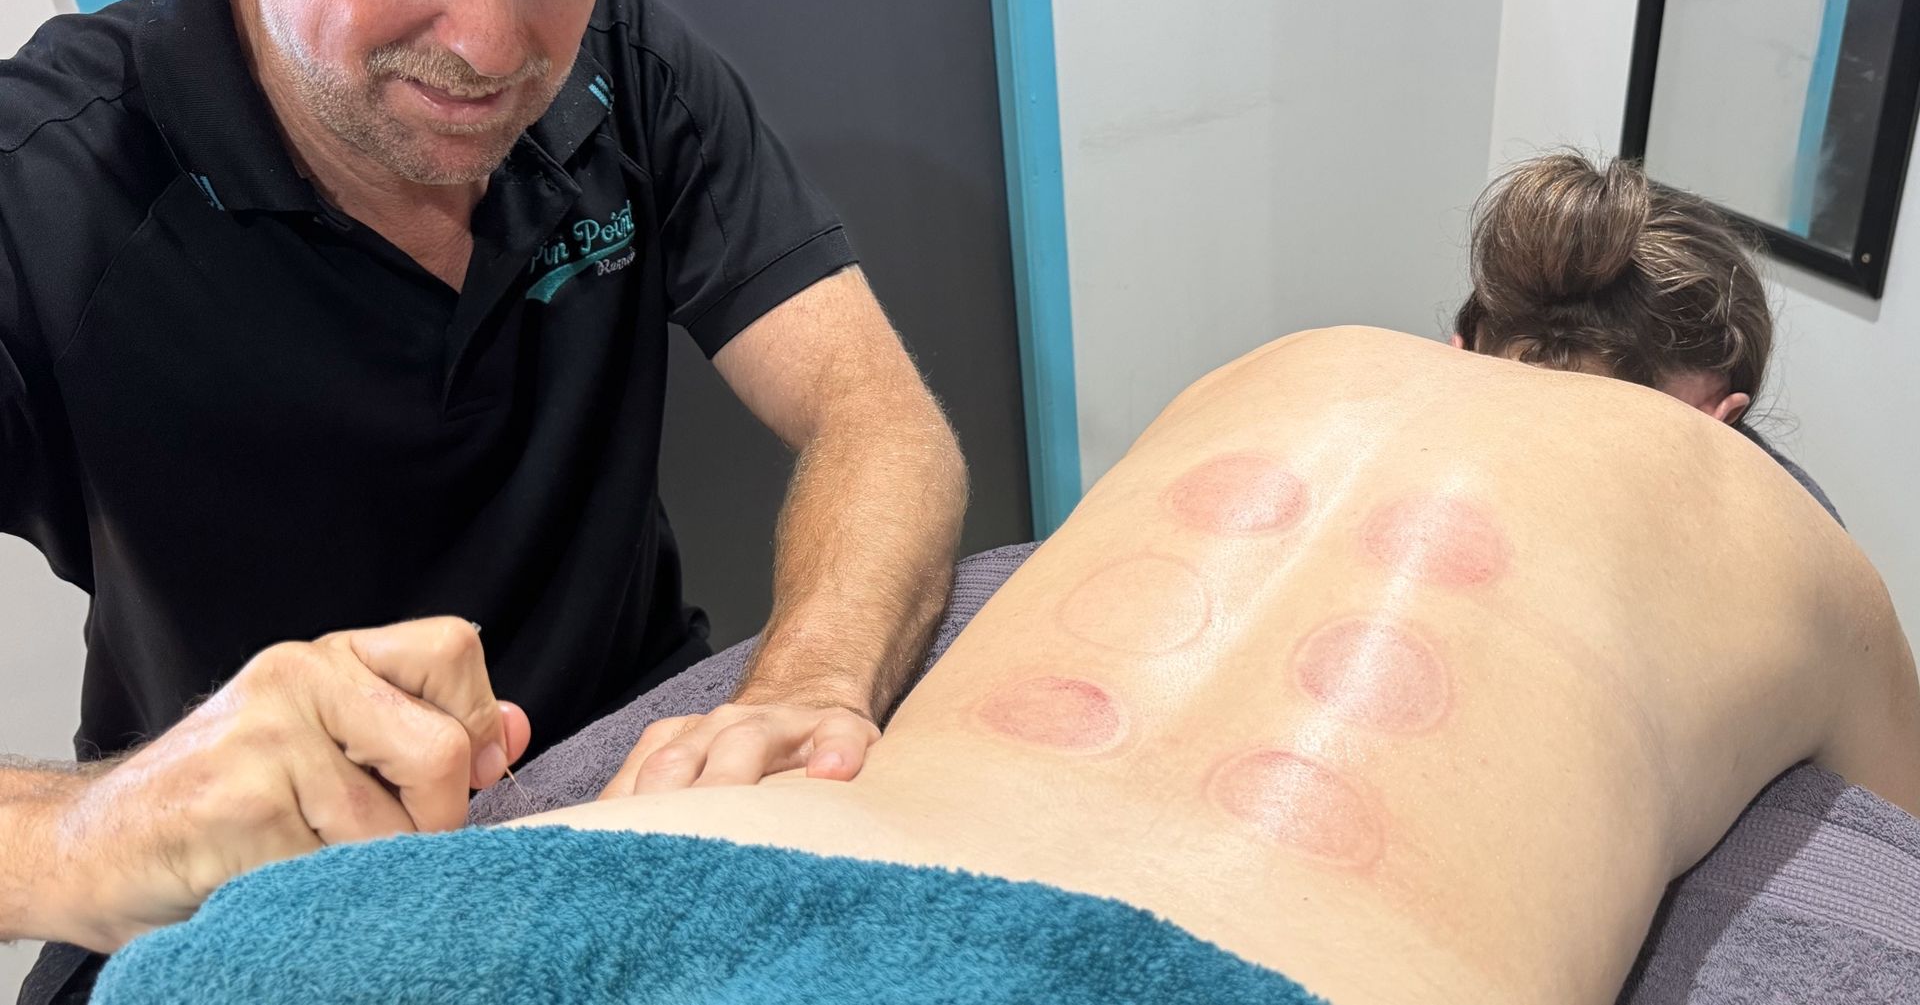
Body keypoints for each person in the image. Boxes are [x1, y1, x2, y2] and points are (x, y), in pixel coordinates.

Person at [88, 154, 1920, 1002]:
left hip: (648, 894)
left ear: (1483, 327)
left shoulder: (1276, 364)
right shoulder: (1772, 519)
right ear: (1724, 407)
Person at [0, 0, 966, 998]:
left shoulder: (632, 73)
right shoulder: (51, 183)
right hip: (264, 889)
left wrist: (813, 679)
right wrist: (88, 830)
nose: (491, 39)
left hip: (638, 795)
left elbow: (875, 414)